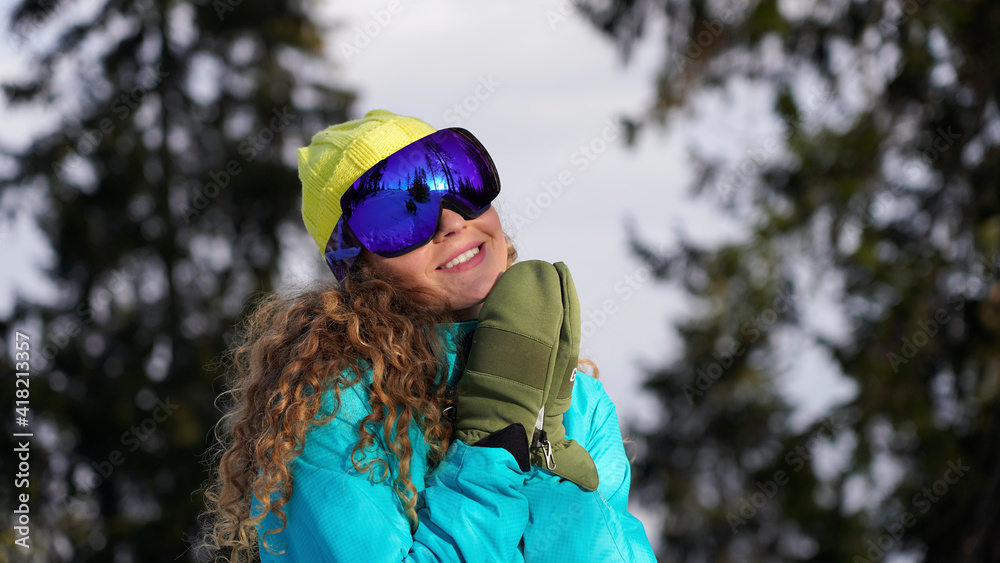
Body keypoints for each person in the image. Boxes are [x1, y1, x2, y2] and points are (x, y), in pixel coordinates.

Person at [200, 109, 656, 562]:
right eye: (401, 213)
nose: (452, 222)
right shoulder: (335, 413)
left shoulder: (578, 400)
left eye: (461, 182)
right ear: (355, 266)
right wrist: (493, 444)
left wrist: (541, 447)